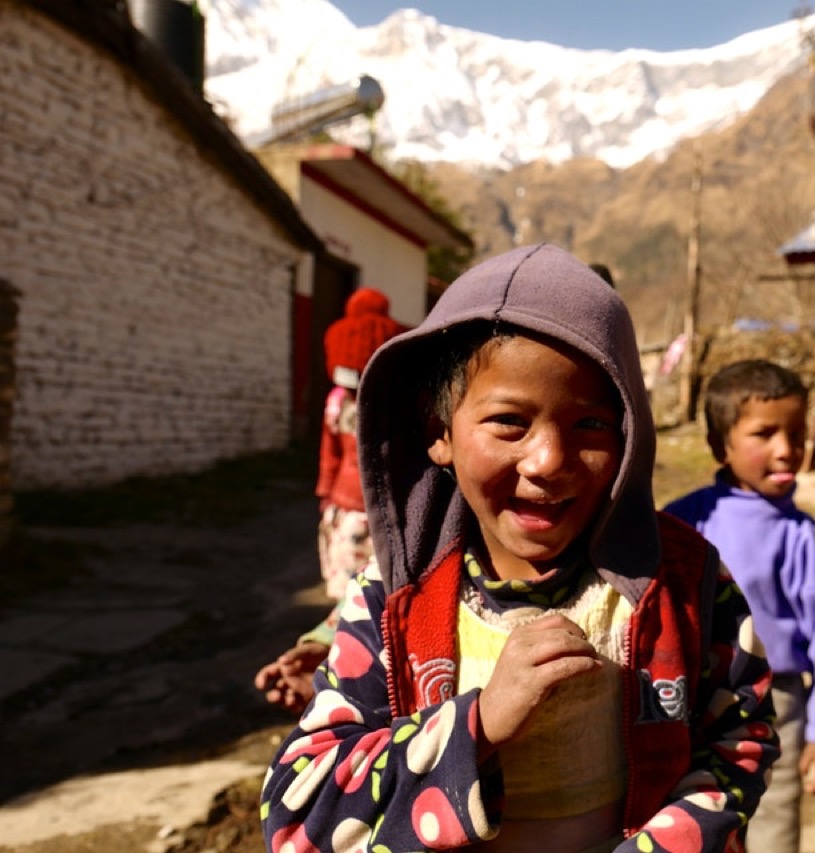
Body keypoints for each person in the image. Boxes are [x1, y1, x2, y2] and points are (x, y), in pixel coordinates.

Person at [260, 244, 778, 852]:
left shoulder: (686, 582)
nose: (549, 461)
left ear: (630, 432)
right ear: (439, 434)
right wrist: (477, 725)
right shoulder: (392, 602)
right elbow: (300, 816)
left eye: (590, 424)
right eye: (509, 421)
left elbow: (740, 740)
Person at [664, 359, 815, 853]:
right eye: (764, 433)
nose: (786, 449)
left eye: (796, 433)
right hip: (689, 696)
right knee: (694, 816)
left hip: (779, 704)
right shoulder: (683, 523)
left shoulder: (803, 538)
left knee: (772, 816)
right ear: (721, 446)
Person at [254, 286, 404, 715]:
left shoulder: (345, 403)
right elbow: (336, 453)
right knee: (363, 596)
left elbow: (330, 454)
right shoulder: (371, 404)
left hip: (353, 510)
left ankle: (358, 666)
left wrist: (326, 496)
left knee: (369, 593)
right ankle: (350, 664)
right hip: (363, 510)